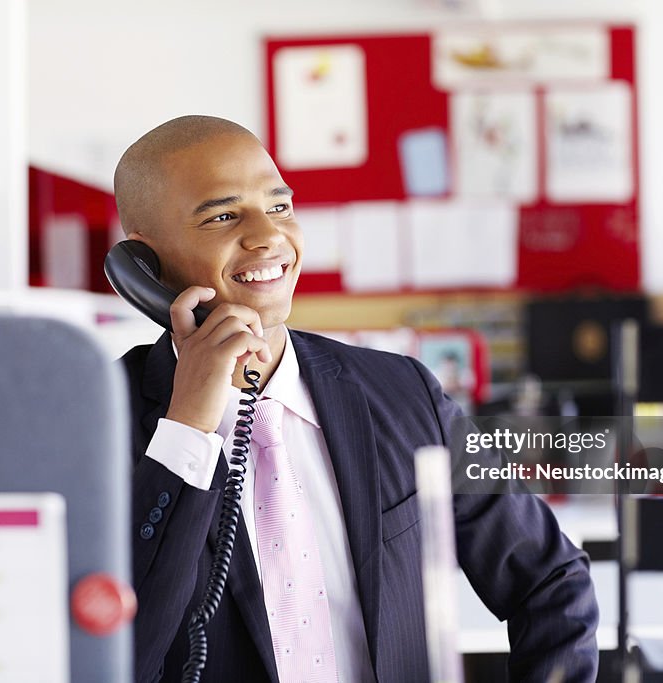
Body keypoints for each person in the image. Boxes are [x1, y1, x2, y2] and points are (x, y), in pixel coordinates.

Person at [115, 115, 598, 683]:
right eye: (222, 215)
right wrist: (189, 426)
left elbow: (551, 579)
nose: (268, 236)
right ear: (143, 262)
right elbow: (117, 652)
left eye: (279, 207)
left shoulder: (403, 394)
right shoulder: (97, 421)